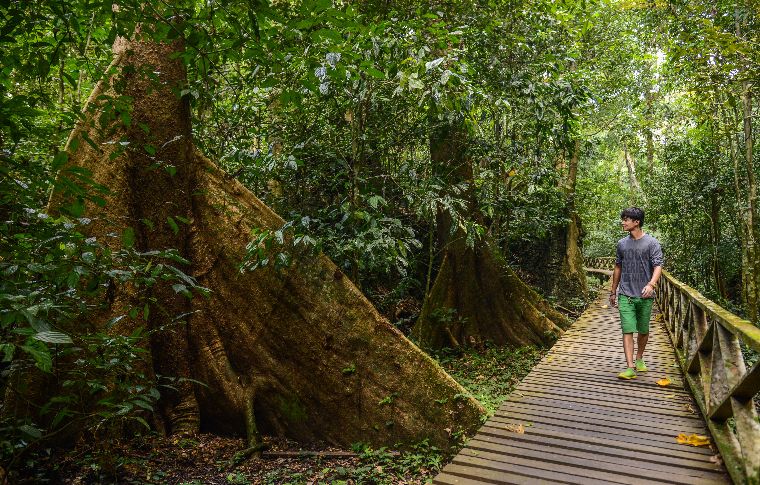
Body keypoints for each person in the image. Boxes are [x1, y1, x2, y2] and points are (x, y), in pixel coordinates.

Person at [609, 207, 663, 380]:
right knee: (627, 330)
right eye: (623, 219)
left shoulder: (652, 243)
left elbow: (658, 266)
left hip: (645, 295)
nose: (623, 222)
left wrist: (651, 284)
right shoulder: (621, 244)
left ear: (636, 222)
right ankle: (630, 366)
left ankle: (639, 358)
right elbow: (618, 266)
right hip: (625, 294)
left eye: (626, 219)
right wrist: (613, 291)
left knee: (643, 330)